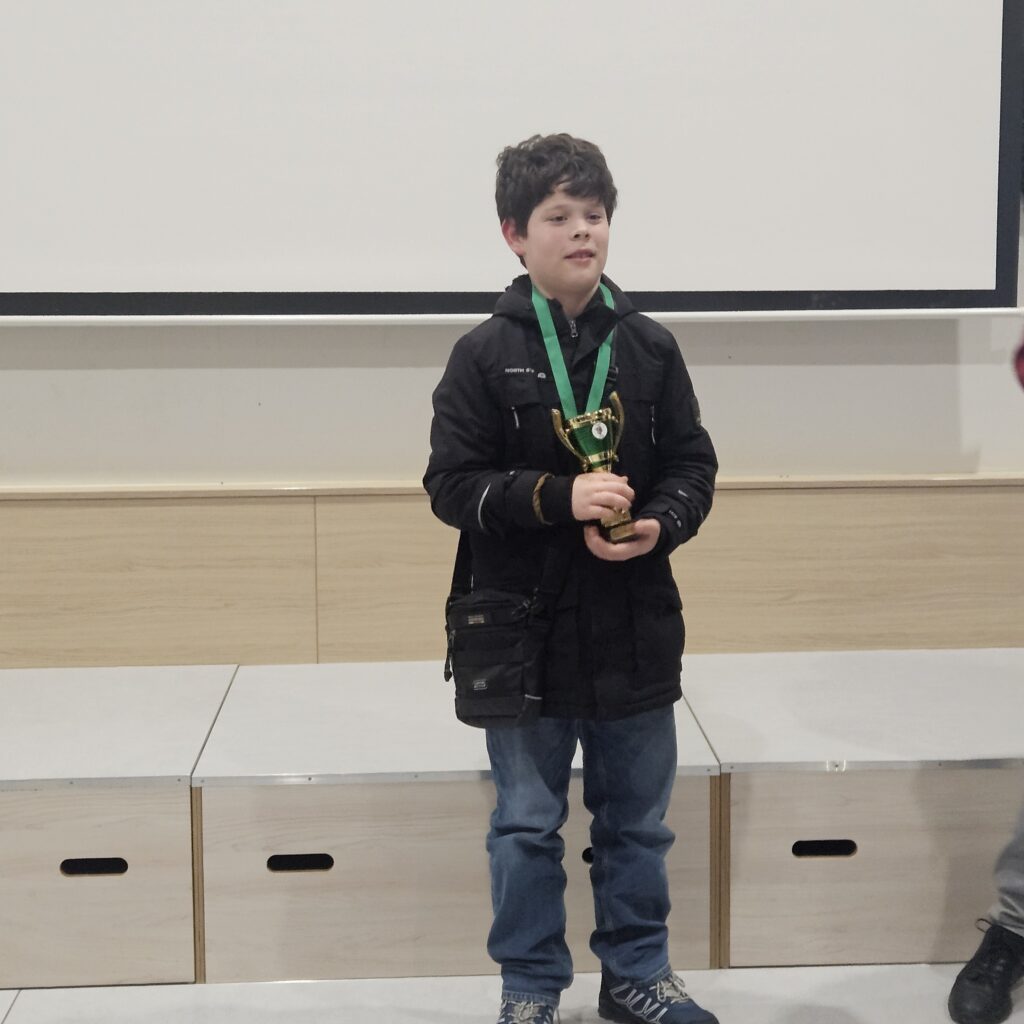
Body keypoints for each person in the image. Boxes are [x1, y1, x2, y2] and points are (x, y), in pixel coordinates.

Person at [423, 133, 719, 1024]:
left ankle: (637, 976)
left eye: (594, 215)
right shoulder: (482, 354)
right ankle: (529, 990)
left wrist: (661, 523)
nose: (582, 231)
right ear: (515, 234)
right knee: (525, 826)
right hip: (522, 638)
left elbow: (693, 465)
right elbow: (451, 486)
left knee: (639, 825)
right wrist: (559, 497)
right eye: (559, 216)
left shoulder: (651, 347)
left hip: (635, 623)